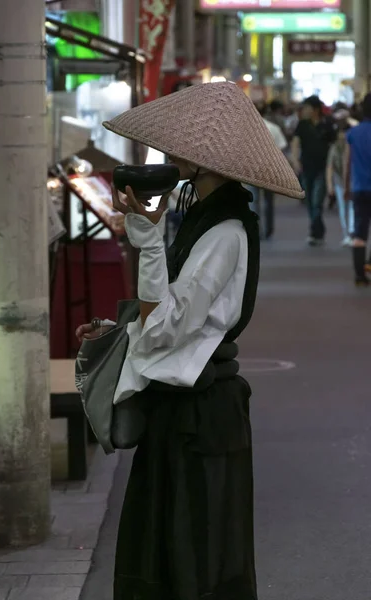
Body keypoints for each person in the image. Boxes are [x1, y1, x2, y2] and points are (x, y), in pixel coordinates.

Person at [76, 82, 303, 600]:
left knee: (191, 557)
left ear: (205, 161)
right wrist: (119, 329)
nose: (170, 154)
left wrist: (149, 241)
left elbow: (165, 328)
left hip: (199, 416)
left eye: (181, 147)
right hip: (188, 411)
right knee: (178, 551)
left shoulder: (225, 231)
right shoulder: (204, 218)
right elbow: (173, 320)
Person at [292, 95, 337, 245]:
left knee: (317, 200)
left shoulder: (327, 124)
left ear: (315, 109)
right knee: (310, 201)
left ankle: (314, 232)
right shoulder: (302, 125)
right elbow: (296, 143)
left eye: (307, 108)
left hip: (323, 168)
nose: (304, 110)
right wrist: (296, 161)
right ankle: (319, 229)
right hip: (306, 168)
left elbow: (335, 145)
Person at [250, 103, 288, 239]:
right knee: (268, 201)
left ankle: (256, 229)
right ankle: (269, 229)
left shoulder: (246, 130)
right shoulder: (273, 128)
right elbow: (282, 148)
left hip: (251, 170)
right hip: (270, 171)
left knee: (253, 201)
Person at [344, 93, 371, 286]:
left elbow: (348, 162)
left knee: (360, 232)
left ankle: (359, 276)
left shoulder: (353, 133)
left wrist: (346, 186)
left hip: (360, 188)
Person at [326, 115, 354, 246]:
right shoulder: (334, 148)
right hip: (339, 181)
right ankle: (347, 233)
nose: (342, 135)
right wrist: (330, 185)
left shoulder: (353, 145)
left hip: (352, 180)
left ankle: (351, 232)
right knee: (344, 208)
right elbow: (330, 167)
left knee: (352, 207)